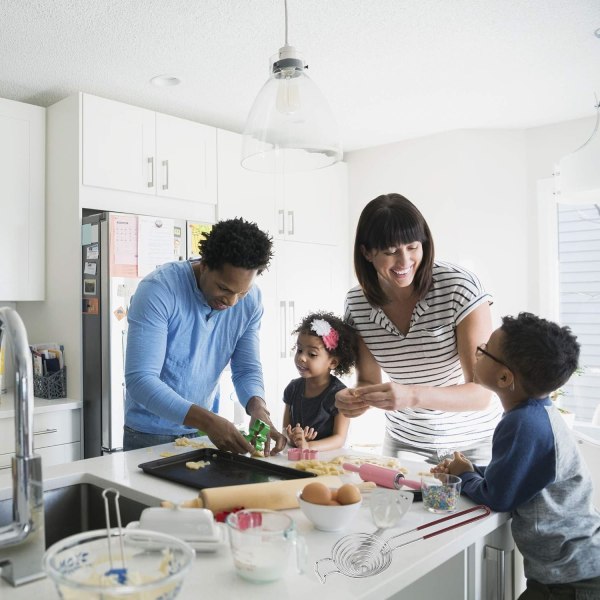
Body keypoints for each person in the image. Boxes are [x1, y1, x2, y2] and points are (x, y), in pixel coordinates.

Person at [431, 312, 600, 600]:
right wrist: (474, 469)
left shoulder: (521, 424)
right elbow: (519, 471)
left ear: (505, 376)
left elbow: (499, 495)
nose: (476, 353)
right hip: (576, 570)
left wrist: (465, 475)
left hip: (569, 581)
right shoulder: (538, 414)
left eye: (483, 351)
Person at [335, 193, 502, 464]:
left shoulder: (459, 288)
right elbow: (369, 381)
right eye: (390, 252)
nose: (404, 261)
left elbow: (481, 392)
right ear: (366, 252)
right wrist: (355, 398)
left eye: (413, 247)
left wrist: (412, 395)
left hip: (474, 443)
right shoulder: (357, 304)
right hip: (405, 443)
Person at [124, 217, 286, 455]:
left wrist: (258, 408)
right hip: (150, 435)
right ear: (205, 264)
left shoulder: (251, 301)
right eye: (224, 289)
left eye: (242, 292)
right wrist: (208, 421)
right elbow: (141, 380)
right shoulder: (159, 290)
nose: (231, 302)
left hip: (204, 433)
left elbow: (246, 369)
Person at [283, 312, 358, 451]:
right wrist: (294, 438)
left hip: (329, 460)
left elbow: (339, 439)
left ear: (333, 362)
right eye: (299, 350)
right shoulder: (292, 388)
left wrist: (308, 446)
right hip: (298, 457)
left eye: (312, 354)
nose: (302, 358)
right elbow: (285, 429)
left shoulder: (341, 395)